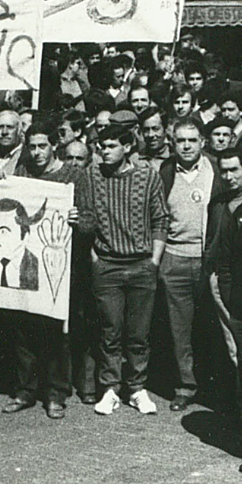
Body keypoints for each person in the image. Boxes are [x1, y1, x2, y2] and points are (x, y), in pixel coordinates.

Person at [74, 116, 169, 415]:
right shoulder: (91, 175)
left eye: (112, 146)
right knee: (110, 333)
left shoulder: (148, 176)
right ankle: (111, 388)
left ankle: (137, 388)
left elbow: (161, 219)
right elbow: (86, 219)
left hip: (141, 266)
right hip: (107, 267)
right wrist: (94, 257)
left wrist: (154, 260)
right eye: (102, 146)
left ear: (128, 147)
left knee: (138, 335)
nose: (105, 151)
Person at [2, 123, 81, 420]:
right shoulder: (22, 172)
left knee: (53, 332)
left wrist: (77, 218)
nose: (36, 153)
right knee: (24, 329)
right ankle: (25, 389)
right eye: (32, 147)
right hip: (27, 263)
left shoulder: (72, 175)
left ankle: (55, 392)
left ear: (53, 146)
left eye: (42, 146)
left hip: (57, 265)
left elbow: (91, 220)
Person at [157, 118, 222, 411]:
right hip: (175, 258)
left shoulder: (215, 170)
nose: (186, 146)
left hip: (209, 260)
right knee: (179, 328)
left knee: (211, 327)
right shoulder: (166, 171)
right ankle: (185, 386)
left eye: (192, 140)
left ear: (202, 142)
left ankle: (215, 387)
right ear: (173, 143)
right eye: (180, 140)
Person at [208, 147, 242, 473]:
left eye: (235, 170)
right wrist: (232, 298)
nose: (229, 176)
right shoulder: (228, 209)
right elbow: (225, 259)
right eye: (225, 171)